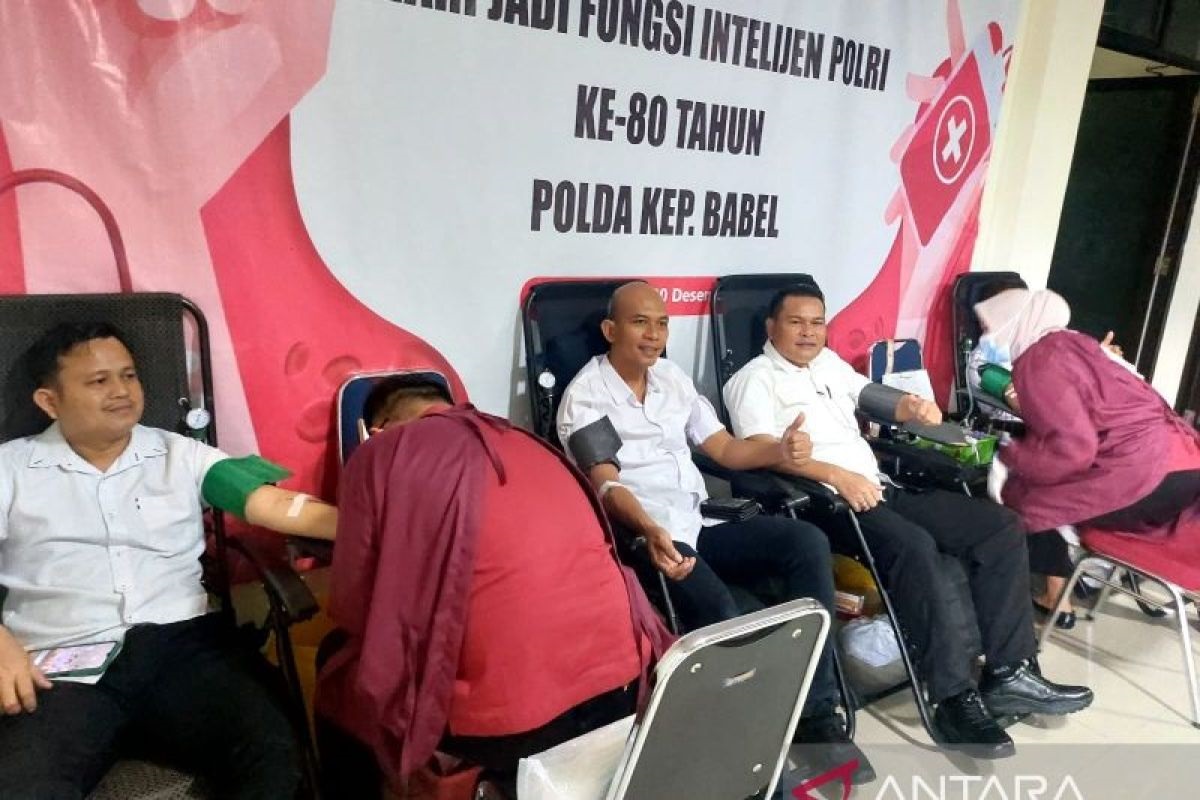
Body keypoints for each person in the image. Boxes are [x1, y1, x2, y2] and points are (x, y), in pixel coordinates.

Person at [722, 283, 1094, 758]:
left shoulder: (826, 364)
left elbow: (871, 394)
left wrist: (911, 407)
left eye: (817, 322)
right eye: (796, 322)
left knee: (998, 526)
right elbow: (760, 453)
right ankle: (952, 697)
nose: (808, 332)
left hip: (878, 486)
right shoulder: (753, 380)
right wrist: (835, 475)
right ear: (771, 327)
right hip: (826, 501)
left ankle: (1010, 672)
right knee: (915, 546)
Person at [0, 322, 337, 800]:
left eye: (129, 375)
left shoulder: (180, 455)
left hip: (184, 652)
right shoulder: (10, 469)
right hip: (60, 667)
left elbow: (274, 506)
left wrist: (380, 525)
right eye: (99, 381)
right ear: (49, 402)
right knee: (19, 785)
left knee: (276, 754)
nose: (122, 391)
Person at [555, 281, 873, 784]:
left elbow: (724, 449)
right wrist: (648, 528)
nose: (654, 334)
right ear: (610, 330)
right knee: (723, 613)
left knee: (806, 543)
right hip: (649, 537)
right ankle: (743, 751)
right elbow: (606, 483)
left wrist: (781, 451)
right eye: (640, 323)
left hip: (700, 521)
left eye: (662, 324)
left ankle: (817, 715)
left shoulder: (672, 379)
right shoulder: (587, 395)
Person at [316, 374, 673, 796]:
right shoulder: (524, 440)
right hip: (626, 690)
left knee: (335, 660)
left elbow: (354, 606)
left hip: (514, 727)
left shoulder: (381, 453)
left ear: (375, 429)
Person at [976, 288, 1200, 544]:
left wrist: (1010, 459)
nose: (987, 337)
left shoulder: (1037, 362)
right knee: (1039, 496)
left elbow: (1074, 448)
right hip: (1185, 463)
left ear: (1014, 323)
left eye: (990, 328)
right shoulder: (1075, 344)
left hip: (1148, 472)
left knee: (1019, 505)